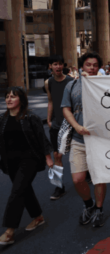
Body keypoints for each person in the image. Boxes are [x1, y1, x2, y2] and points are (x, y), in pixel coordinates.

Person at [0, 87, 54, 245]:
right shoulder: (3, 119)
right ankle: (38, 217)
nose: (9, 99)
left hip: (29, 160)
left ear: (21, 100)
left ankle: (9, 232)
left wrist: (48, 157)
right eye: (7, 96)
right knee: (24, 190)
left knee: (16, 192)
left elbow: (41, 139)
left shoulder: (31, 117)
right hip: (10, 162)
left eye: (13, 97)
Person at [62, 52, 107, 228]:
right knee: (78, 179)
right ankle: (89, 204)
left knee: (99, 177)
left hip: (100, 140)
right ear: (82, 67)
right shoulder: (72, 86)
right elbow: (66, 109)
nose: (92, 68)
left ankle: (99, 209)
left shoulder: (105, 85)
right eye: (89, 65)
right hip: (79, 139)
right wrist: (77, 127)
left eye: (95, 65)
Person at [45, 55, 73, 200]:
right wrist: (49, 119)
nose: (58, 67)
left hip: (71, 123)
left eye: (60, 64)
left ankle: (86, 172)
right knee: (57, 155)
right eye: (55, 64)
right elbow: (50, 101)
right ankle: (58, 186)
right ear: (50, 66)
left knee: (77, 151)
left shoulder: (70, 81)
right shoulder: (48, 82)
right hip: (56, 123)